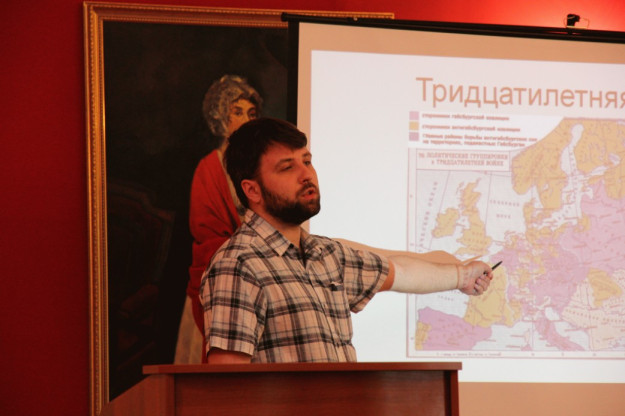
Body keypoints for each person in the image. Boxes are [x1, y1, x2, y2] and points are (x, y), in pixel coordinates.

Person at [200, 117, 493, 364]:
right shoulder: (237, 264)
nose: (306, 175)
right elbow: (229, 388)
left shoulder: (326, 254)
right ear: (252, 190)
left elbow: (402, 273)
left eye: (307, 161)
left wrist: (462, 277)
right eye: (287, 167)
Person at [174, 75, 262, 364]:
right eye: (237, 112)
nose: (245, 120)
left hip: (258, 282)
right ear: (222, 117)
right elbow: (206, 229)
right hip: (218, 279)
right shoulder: (209, 168)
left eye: (251, 113)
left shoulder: (259, 167)